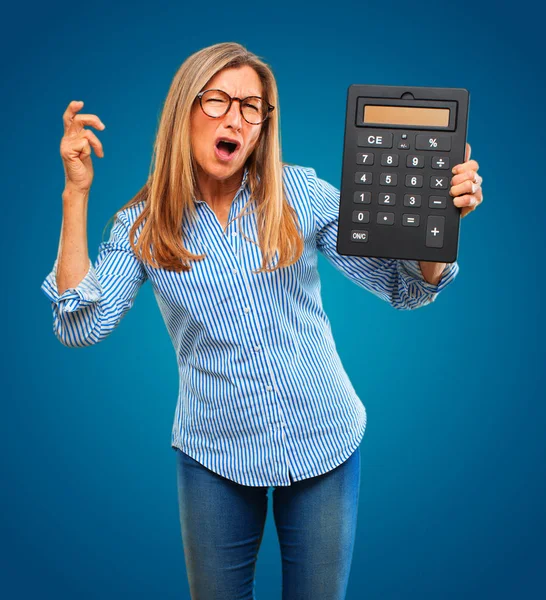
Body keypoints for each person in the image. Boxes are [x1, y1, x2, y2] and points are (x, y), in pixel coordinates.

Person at [40, 42, 483, 600]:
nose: (236, 119)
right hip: (213, 452)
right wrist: (76, 194)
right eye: (219, 100)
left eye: (252, 107)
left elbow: (406, 286)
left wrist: (438, 223)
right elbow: (81, 324)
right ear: (185, 110)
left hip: (323, 437)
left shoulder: (299, 193)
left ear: (264, 125)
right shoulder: (145, 225)